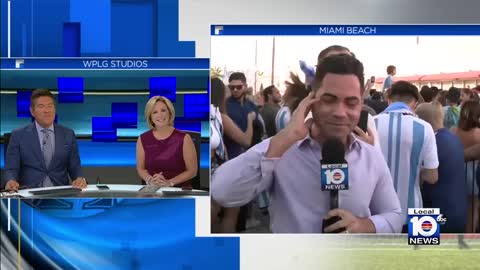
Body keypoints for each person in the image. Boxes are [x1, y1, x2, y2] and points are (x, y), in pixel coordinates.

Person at [212, 54, 402, 233]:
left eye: (351, 103)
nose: (340, 112)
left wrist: (365, 225)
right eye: (329, 100)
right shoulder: (281, 148)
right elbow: (221, 192)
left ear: (361, 104)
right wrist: (286, 138)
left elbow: (394, 215)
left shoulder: (371, 155)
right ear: (311, 100)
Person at [373, 81, 439, 232]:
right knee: (419, 254)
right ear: (415, 103)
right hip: (415, 210)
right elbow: (432, 177)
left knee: (378, 256)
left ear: (389, 99)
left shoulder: (371, 124)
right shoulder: (425, 128)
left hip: (377, 213)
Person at [3, 89, 87, 191]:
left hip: (60, 194)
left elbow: (75, 167)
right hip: (29, 196)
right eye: (41, 106)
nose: (47, 110)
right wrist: (10, 180)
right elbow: (11, 169)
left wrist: (79, 178)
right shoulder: (18, 135)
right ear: (32, 111)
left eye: (50, 106)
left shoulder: (68, 134)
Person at [415, 102, 467, 233]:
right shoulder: (453, 139)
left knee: (423, 251)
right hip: (457, 210)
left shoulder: (432, 142)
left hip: (434, 212)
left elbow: (429, 177)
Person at [136, 96, 198, 188]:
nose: (160, 115)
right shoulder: (142, 139)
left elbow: (192, 171)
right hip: (153, 191)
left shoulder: (184, 138)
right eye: (155, 112)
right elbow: (141, 169)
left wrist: (169, 182)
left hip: (179, 191)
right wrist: (150, 180)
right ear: (150, 116)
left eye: (163, 110)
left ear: (170, 112)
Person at [452, 101, 480, 233]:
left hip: (455, 172)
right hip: (474, 174)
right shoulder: (478, 133)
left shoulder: (453, 130)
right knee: (473, 208)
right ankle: (470, 236)